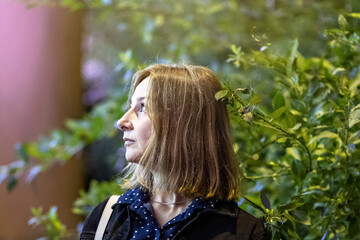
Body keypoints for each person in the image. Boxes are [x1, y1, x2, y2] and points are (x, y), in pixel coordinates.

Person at [80, 64, 265, 240]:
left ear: (185, 123)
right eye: (130, 107)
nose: (122, 122)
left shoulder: (243, 232)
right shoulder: (106, 218)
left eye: (143, 107)